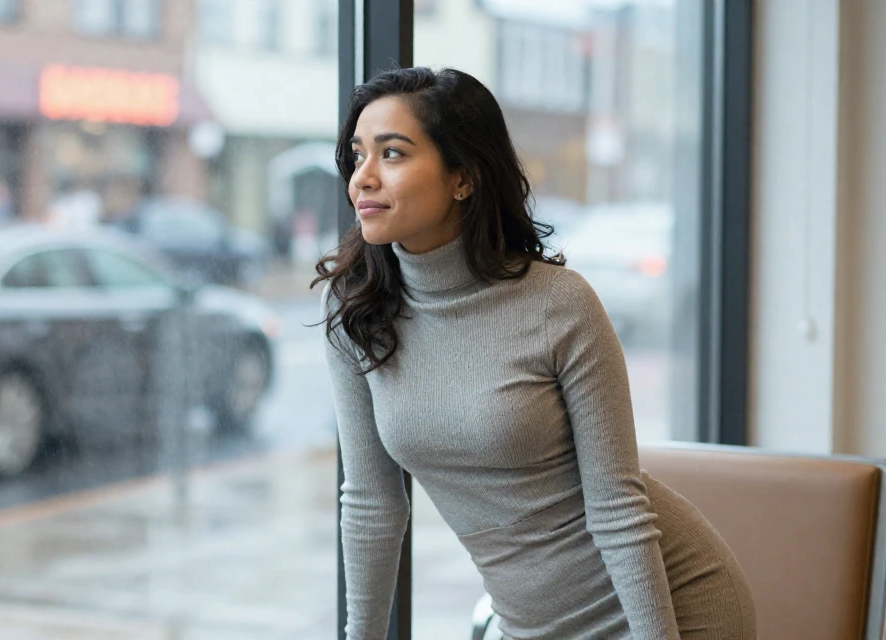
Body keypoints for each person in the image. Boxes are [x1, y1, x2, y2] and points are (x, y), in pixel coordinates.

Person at [313, 67, 756, 640]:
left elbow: (617, 505)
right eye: (357, 155)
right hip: (529, 624)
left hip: (670, 607)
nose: (362, 179)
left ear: (463, 178)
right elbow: (373, 504)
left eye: (392, 154)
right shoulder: (356, 310)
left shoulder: (558, 304)